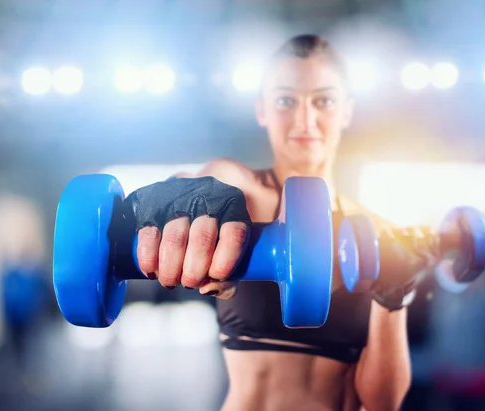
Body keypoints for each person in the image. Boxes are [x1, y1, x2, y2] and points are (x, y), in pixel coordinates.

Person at [127, 34, 441, 411]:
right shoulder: (242, 190)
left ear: (346, 111)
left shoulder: (376, 230)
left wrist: (394, 297)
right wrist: (186, 198)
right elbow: (200, 184)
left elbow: (382, 402)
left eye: (323, 101)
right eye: (285, 100)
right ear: (262, 109)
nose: (305, 120)